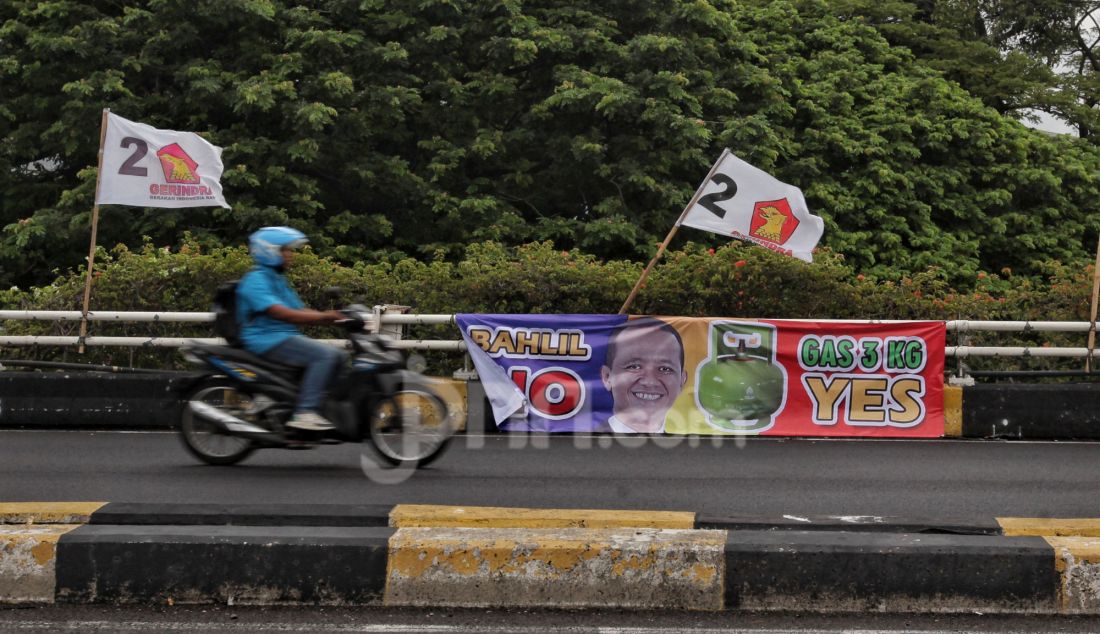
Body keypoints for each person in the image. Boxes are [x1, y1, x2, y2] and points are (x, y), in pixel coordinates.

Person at [236, 226, 348, 432]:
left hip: (282, 336)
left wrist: (334, 317)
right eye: (284, 250)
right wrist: (323, 317)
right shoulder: (256, 280)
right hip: (265, 339)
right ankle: (305, 412)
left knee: (340, 356)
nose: (290, 255)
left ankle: (323, 408)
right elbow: (281, 313)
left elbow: (298, 309)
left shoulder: (277, 278)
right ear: (269, 251)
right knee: (326, 355)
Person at [599, 317, 688, 433]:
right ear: (607, 377)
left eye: (664, 369)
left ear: (682, 381)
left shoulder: (693, 448)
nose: (649, 381)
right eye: (634, 367)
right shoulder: (582, 444)